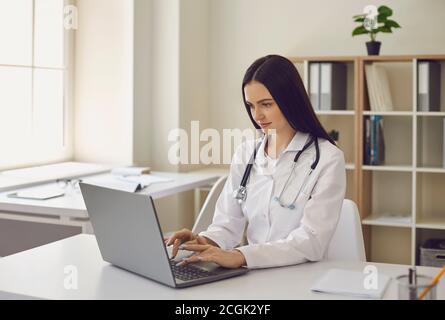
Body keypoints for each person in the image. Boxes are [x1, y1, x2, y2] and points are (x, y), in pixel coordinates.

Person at [165, 54, 346, 269]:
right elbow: (226, 225)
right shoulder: (245, 154)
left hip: (302, 276)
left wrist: (242, 256)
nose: (257, 115)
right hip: (254, 276)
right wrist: (204, 242)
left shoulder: (327, 158)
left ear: (290, 101)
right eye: (250, 105)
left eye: (266, 104)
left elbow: (311, 242)